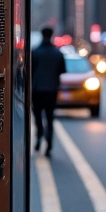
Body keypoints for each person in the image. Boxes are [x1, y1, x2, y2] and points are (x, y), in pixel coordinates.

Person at [31, 26, 66, 157]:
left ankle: (39, 136)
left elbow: (29, 70)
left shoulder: (35, 52)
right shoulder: (57, 53)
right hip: (51, 90)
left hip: (37, 90)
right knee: (50, 118)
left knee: (38, 116)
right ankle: (49, 143)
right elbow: (62, 70)